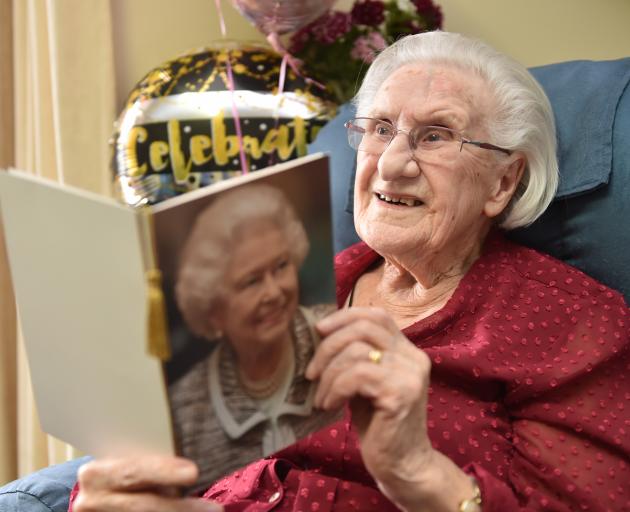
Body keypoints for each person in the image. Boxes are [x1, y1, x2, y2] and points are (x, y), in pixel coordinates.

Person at [71, 32, 629, 512]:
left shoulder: (574, 326)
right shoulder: (285, 281)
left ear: (503, 183)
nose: (391, 164)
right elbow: (175, 456)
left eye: (436, 136)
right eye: (380, 128)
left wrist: (418, 472)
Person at [169, 183, 338, 492]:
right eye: (251, 282)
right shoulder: (186, 406)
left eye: (281, 266)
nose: (274, 292)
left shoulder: (337, 339)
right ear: (214, 310)